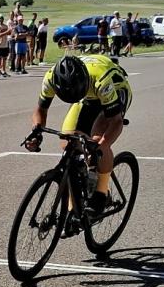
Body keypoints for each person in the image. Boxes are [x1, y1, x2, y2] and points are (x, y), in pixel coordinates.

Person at [24, 54, 132, 231]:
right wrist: (36, 131)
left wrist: (101, 146)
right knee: (68, 142)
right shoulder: (51, 78)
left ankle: (101, 192)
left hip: (114, 90)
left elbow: (116, 122)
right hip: (86, 97)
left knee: (97, 141)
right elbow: (40, 109)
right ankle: (74, 207)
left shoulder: (100, 80)